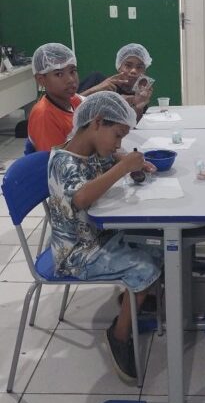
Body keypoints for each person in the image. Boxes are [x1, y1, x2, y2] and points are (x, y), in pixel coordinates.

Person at [48, 91, 163, 382]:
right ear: (97, 122)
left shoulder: (90, 150)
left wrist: (127, 161)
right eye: (118, 136)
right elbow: (82, 198)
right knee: (145, 267)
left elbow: (109, 158)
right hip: (77, 253)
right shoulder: (64, 162)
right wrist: (123, 167)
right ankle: (119, 334)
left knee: (159, 244)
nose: (119, 144)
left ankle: (133, 297)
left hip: (101, 236)